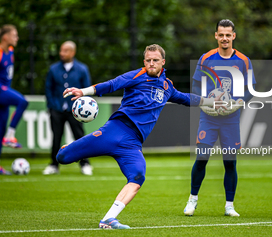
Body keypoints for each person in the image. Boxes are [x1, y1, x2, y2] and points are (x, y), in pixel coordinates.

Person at [56, 44, 224, 229]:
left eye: (155, 61)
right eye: (148, 60)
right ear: (144, 61)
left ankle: (108, 219)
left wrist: (210, 101)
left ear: (163, 62)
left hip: (132, 143)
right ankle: (68, 149)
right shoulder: (136, 75)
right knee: (62, 157)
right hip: (114, 130)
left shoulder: (167, 86)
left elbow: (185, 98)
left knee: (137, 176)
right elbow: (112, 84)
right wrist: (83, 91)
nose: (151, 64)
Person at [183, 19, 255, 217]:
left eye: (228, 35)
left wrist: (237, 103)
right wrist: (206, 102)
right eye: (221, 34)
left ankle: (229, 205)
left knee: (230, 162)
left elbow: (251, 89)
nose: (224, 38)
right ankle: (192, 199)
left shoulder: (243, 60)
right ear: (216, 35)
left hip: (231, 119)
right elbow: (196, 86)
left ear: (233, 36)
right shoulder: (206, 58)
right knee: (202, 158)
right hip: (209, 116)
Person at [43, 41, 93, 175]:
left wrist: (80, 106)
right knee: (56, 137)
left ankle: (85, 163)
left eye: (65, 51)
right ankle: (54, 164)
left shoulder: (82, 69)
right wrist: (52, 106)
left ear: (73, 52)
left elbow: (86, 88)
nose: (62, 53)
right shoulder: (53, 69)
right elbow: (49, 89)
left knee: (80, 136)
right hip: (57, 109)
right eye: (61, 50)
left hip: (75, 110)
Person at [0, 24, 29, 175]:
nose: (17, 38)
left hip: (4, 96)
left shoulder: (10, 51)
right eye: (14, 35)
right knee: (22, 101)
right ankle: (10, 136)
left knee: (0, 130)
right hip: (1, 91)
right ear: (5, 37)